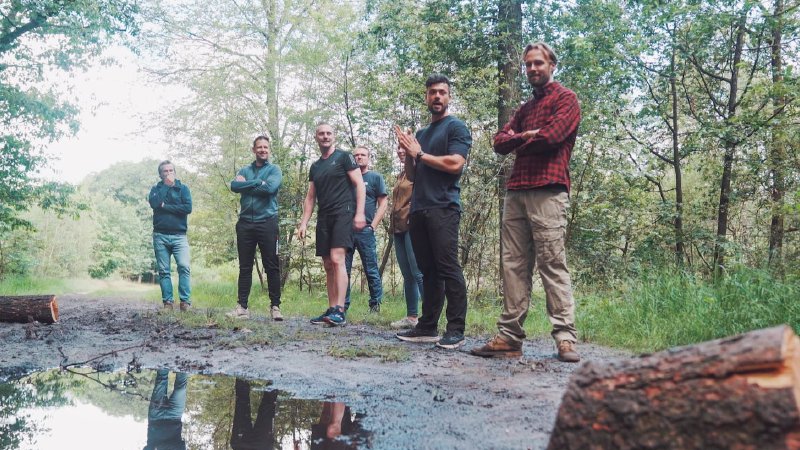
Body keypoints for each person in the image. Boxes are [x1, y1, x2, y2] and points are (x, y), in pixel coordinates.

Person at [471, 42, 581, 363]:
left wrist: (522, 139)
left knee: (552, 263)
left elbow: (552, 137)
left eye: (538, 63)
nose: (532, 69)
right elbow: (498, 142)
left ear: (552, 65)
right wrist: (524, 136)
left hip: (548, 190)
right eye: (528, 64)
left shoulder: (566, 99)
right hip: (516, 192)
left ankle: (565, 338)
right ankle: (509, 337)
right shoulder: (524, 109)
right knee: (513, 265)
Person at [393, 74, 472, 350]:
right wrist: (408, 154)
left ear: (448, 97)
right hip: (419, 208)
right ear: (426, 97)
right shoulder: (422, 134)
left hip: (444, 207)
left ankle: (456, 330)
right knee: (428, 271)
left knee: (448, 267)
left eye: (442, 92)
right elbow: (414, 175)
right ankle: (427, 327)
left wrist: (420, 154)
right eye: (432, 92)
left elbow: (455, 164)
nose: (437, 96)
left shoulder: (456, 127)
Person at [297, 123, 366, 327]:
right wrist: (303, 223)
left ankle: (340, 310)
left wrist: (360, 213)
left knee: (337, 259)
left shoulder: (344, 157)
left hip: (343, 212)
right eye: (321, 134)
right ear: (316, 137)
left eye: (329, 133)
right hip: (324, 216)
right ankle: (331, 309)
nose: (325, 136)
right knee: (327, 264)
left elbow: (359, 184)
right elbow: (311, 197)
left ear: (334, 136)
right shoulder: (315, 166)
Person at [227, 136, 284, 321]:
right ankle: (242, 308)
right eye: (259, 147)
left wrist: (246, 185)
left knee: (272, 266)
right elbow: (234, 186)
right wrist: (258, 182)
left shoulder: (274, 170)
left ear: (269, 149)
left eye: (266, 147)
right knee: (245, 266)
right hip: (245, 224)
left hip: (267, 222)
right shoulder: (245, 170)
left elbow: (270, 189)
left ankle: (275, 307)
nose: (263, 150)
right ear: (254, 150)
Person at [344, 146, 387, 313]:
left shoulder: (375, 177)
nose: (359, 157)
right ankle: (342, 306)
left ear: (368, 158)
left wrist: (373, 226)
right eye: (356, 155)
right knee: (343, 270)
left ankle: (375, 305)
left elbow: (383, 204)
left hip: (365, 231)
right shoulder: (347, 177)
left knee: (371, 269)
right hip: (346, 231)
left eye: (363, 155)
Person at [148, 161, 192, 312]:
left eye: (170, 170)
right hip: (160, 235)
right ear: (160, 174)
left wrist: (165, 206)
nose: (168, 173)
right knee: (164, 271)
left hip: (179, 236)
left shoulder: (183, 189)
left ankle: (185, 303)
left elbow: (187, 208)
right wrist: (166, 186)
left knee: (184, 267)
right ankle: (168, 303)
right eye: (165, 171)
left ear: (175, 172)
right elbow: (154, 203)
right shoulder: (156, 189)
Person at [389, 145, 424, 329]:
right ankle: (412, 317)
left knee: (418, 272)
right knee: (407, 274)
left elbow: (423, 197)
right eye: (398, 148)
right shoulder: (401, 175)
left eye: (404, 148)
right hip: (398, 227)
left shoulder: (419, 172)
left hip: (412, 226)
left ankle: (429, 318)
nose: (400, 151)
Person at [144, 369, 188, 450]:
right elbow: (181, 445)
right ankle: (183, 364)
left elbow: (148, 448)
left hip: (156, 416)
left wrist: (161, 446)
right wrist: (159, 447)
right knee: (181, 388)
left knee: (161, 381)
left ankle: (164, 362)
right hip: (175, 416)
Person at [230, 378, 278, 449]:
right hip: (254, 446)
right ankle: (275, 378)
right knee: (267, 409)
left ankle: (243, 376)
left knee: (242, 405)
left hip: (242, 445)